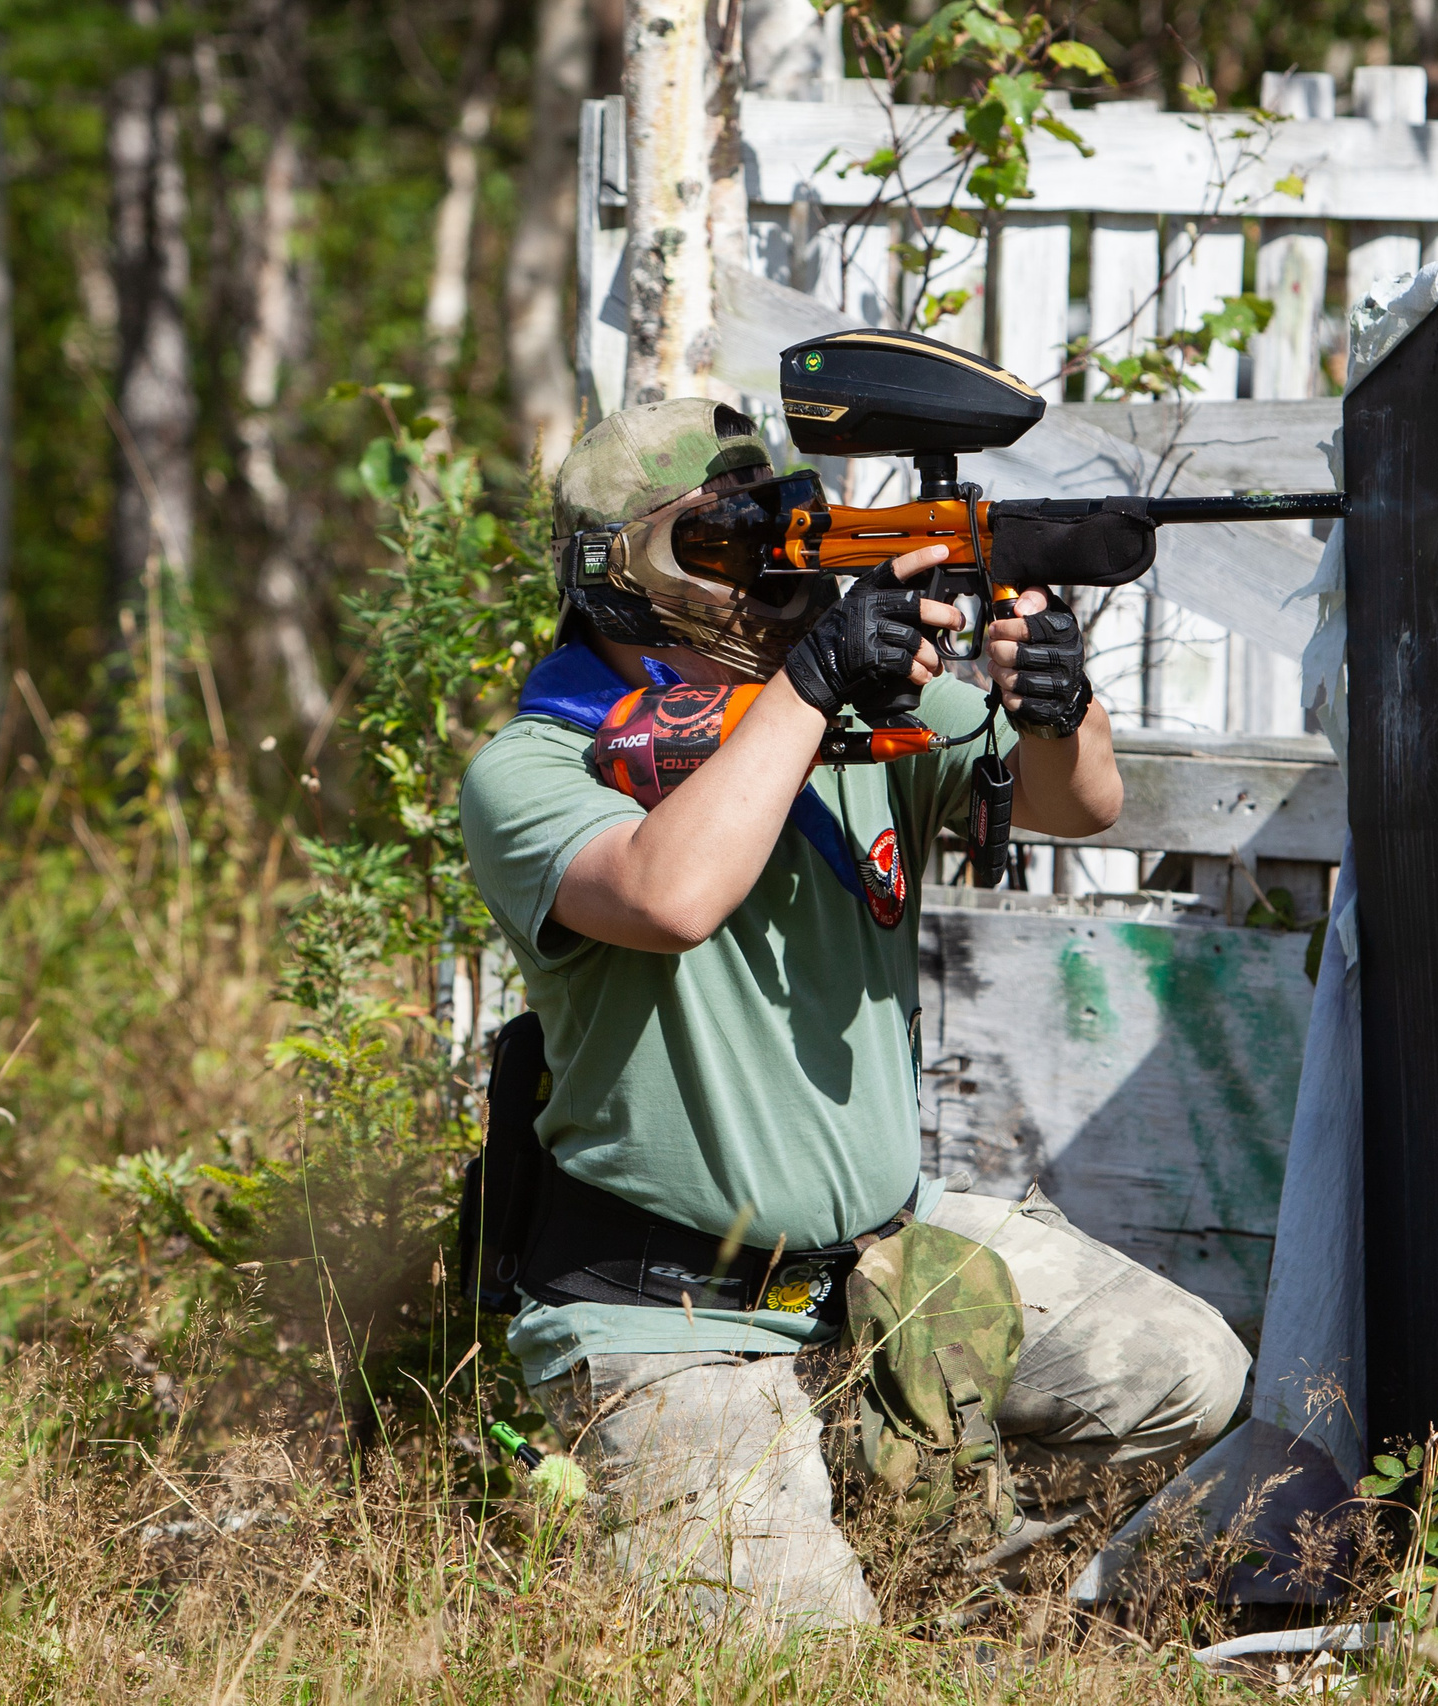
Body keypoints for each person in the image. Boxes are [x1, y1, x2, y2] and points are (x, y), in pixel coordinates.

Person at [459, 399, 1250, 1625]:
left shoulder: (845, 718)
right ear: (617, 573)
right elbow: (671, 895)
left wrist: (1053, 697)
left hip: (880, 1262)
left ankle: (898, 1495)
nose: (761, 577)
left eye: (774, 534)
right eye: (718, 549)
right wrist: (813, 675)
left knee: (1186, 1368)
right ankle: (819, 1490)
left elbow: (1076, 802)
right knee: (810, 1669)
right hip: (665, 1314)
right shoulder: (535, 769)